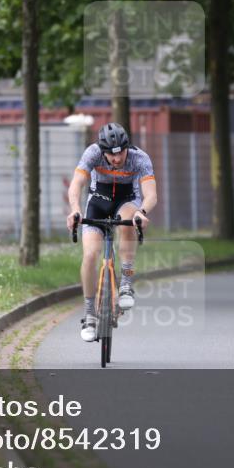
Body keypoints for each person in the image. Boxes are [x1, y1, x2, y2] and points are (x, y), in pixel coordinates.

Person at [65, 122, 158, 342]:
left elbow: (151, 194)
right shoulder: (93, 153)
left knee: (128, 219)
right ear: (102, 151)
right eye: (111, 155)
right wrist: (76, 210)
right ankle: (89, 313)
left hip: (127, 201)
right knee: (89, 255)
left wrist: (142, 212)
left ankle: (126, 282)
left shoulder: (140, 158)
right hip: (98, 201)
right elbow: (76, 184)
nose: (116, 159)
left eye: (121, 154)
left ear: (127, 147)